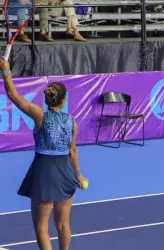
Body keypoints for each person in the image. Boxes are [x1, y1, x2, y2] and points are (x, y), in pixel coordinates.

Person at [0, 58, 87, 250]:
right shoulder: (72, 122)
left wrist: (6, 71)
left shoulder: (39, 115)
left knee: (41, 228)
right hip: (66, 173)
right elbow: (72, 150)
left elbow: (13, 95)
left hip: (44, 174)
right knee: (63, 225)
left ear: (47, 99)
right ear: (63, 101)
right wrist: (78, 174)